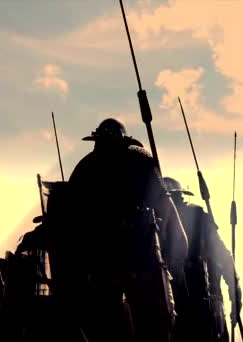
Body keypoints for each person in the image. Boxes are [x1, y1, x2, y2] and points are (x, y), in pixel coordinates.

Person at [65, 118, 188, 342]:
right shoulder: (88, 167)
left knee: (148, 323)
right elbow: (69, 214)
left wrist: (178, 250)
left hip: (136, 261)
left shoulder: (138, 161)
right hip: (106, 264)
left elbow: (165, 206)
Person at [163, 177, 242, 342]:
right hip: (177, 309)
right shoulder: (158, 222)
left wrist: (235, 293)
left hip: (205, 309)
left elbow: (224, 258)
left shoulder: (198, 217)